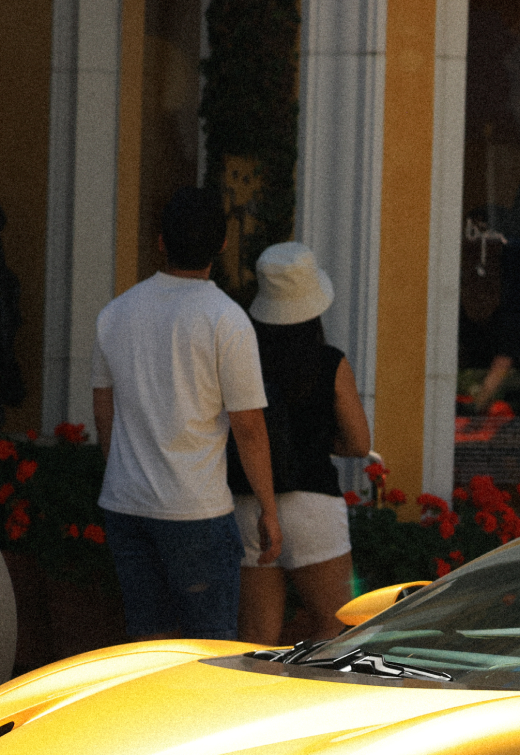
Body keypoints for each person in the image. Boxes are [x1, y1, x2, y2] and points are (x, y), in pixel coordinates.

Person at [93, 187, 280, 642]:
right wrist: (269, 510)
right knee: (210, 650)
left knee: (145, 647)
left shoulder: (115, 314)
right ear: (222, 246)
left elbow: (104, 410)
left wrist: (122, 471)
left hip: (125, 505)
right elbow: (249, 428)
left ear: (160, 242)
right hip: (196, 510)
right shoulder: (226, 319)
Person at [230, 243, 371, 646]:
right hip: (313, 505)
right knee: (338, 627)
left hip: (249, 502)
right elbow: (360, 443)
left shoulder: (242, 357)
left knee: (255, 638)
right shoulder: (330, 363)